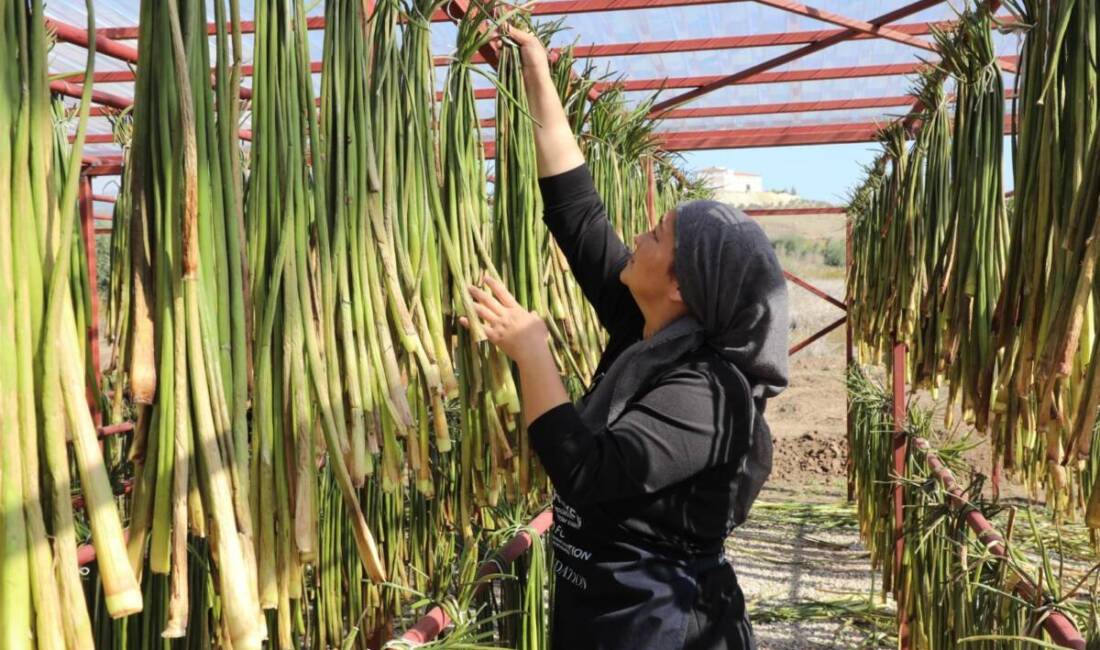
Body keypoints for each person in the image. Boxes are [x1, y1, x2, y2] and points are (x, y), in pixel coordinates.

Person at [460, 26, 790, 650]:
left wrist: (533, 349)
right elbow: (576, 211)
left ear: (682, 289)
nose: (639, 235)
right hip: (602, 610)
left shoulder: (710, 393)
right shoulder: (648, 328)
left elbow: (585, 471)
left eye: (658, 236)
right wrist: (535, 70)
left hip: (663, 626)